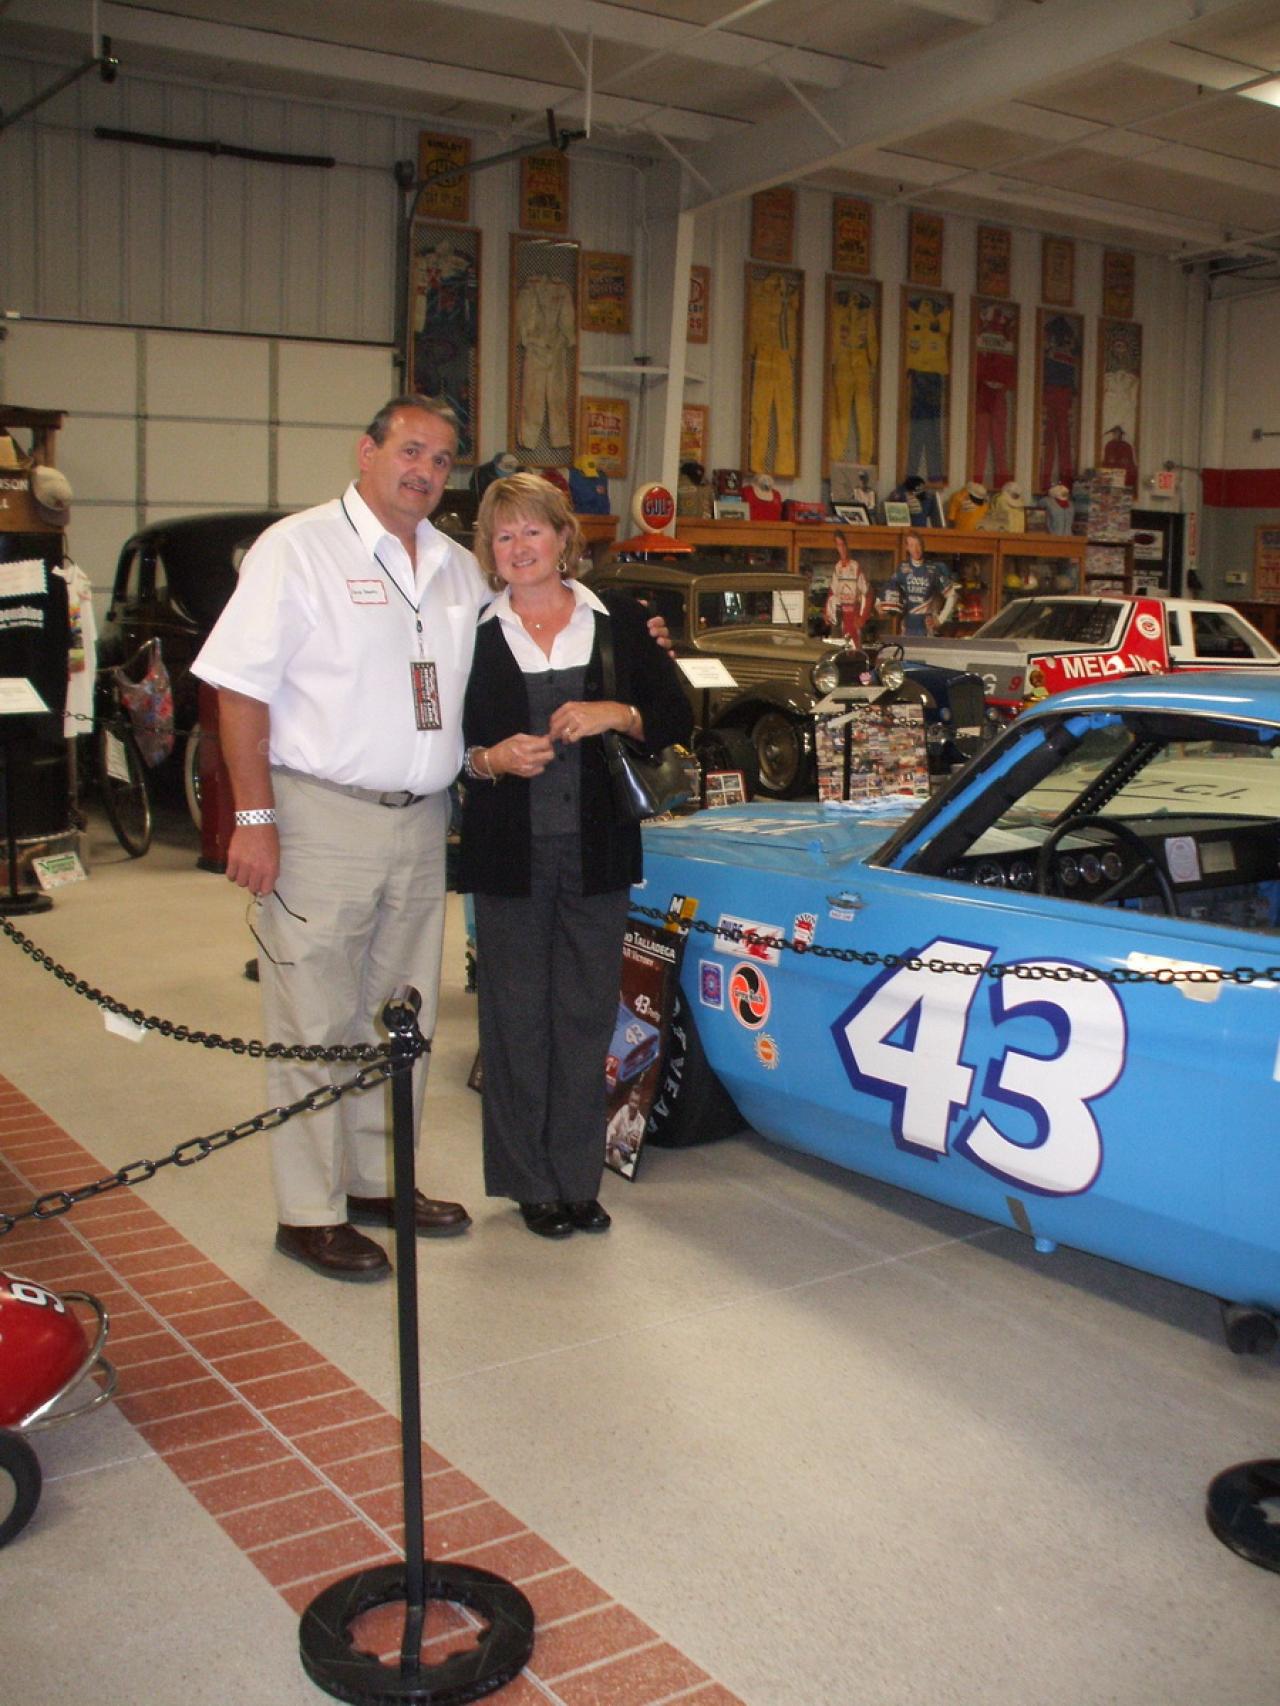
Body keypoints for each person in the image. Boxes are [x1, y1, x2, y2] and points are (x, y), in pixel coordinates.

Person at [191, 396, 481, 1281]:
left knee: (398, 1013)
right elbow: (239, 688)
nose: (425, 471)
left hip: (421, 821)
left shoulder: (457, 568)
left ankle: (377, 1183)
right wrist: (253, 818)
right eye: (410, 450)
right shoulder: (299, 548)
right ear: (367, 451)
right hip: (320, 815)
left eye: (441, 459)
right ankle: (308, 1212)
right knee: (312, 1014)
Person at [457, 474, 691, 1239]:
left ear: (563, 537)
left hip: (597, 853)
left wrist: (614, 712)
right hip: (508, 857)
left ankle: (576, 1179)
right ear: (489, 551)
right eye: (503, 535)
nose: (519, 547)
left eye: (533, 530)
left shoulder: (615, 619)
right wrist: (490, 759)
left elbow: (678, 712)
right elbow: (437, 744)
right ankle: (531, 1183)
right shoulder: (469, 633)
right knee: (516, 1022)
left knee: (587, 1018)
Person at [878, 531, 955, 636]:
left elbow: (952, 595)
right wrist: (879, 605)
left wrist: (940, 620)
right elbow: (888, 588)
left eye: (918, 545)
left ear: (923, 546)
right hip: (907, 628)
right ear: (907, 548)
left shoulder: (933, 569)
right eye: (912, 545)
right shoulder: (902, 568)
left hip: (926, 629)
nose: (915, 549)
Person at [824, 532, 872, 642]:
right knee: (838, 648)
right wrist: (827, 613)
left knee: (854, 648)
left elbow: (868, 593)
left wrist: (862, 618)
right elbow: (832, 593)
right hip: (840, 616)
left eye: (843, 545)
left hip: (854, 615)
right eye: (838, 545)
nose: (842, 549)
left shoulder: (856, 566)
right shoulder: (837, 567)